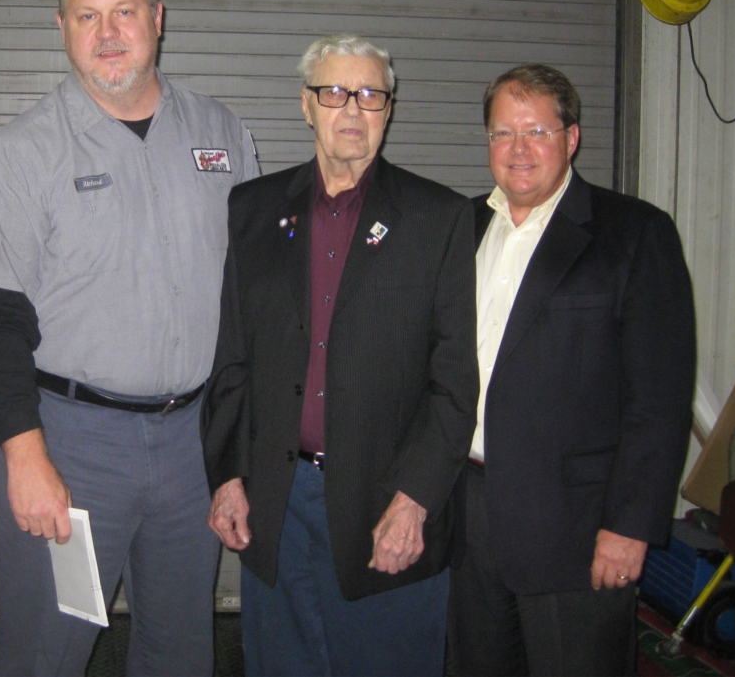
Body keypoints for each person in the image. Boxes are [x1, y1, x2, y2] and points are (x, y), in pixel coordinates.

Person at [0, 0, 259, 676]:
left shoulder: (222, 135)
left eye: (123, 12)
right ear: (61, 26)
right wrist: (24, 453)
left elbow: (254, 300)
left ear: (156, 19)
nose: (107, 32)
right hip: (73, 446)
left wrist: (237, 450)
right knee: (47, 647)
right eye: (87, 15)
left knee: (180, 646)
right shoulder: (22, 153)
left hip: (193, 442)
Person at [202, 34, 479, 676]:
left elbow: (454, 382)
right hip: (276, 501)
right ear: (306, 106)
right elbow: (232, 360)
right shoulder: (253, 208)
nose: (351, 109)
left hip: (385, 506)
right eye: (333, 93)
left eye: (370, 95)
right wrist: (226, 475)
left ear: (388, 108)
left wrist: (414, 501)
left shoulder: (438, 218)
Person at [447, 64, 697, 676]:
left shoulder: (634, 233)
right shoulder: (463, 228)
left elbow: (659, 399)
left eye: (537, 130)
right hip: (471, 513)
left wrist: (630, 527)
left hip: (578, 529)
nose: (519, 149)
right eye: (503, 133)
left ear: (572, 137)